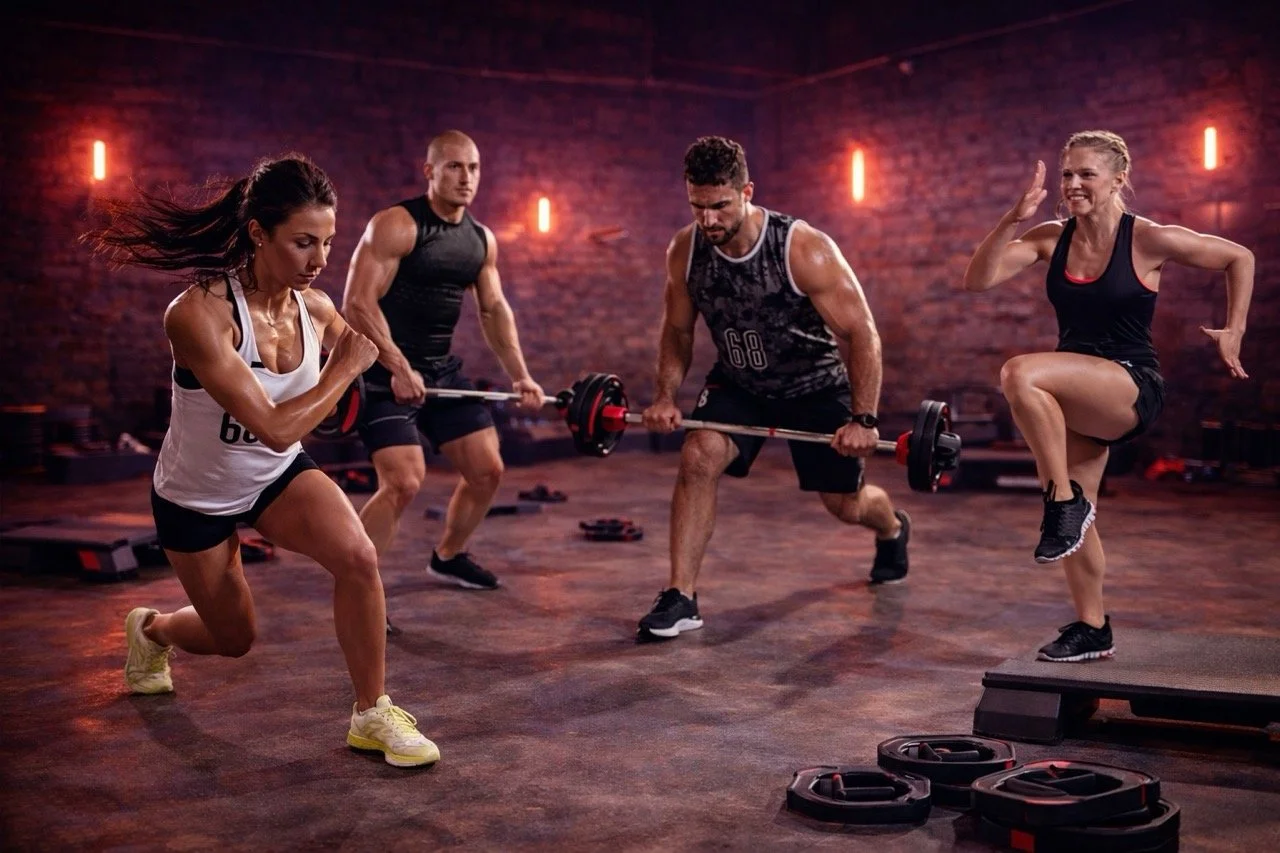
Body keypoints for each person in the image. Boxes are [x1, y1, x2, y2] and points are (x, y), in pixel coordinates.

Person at [83, 154, 439, 767]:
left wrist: (398, 373)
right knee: (234, 639)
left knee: (357, 556)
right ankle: (153, 631)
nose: (320, 260)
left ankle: (371, 712)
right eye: (303, 243)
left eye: (327, 242)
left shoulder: (316, 309)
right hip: (196, 497)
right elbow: (277, 426)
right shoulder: (197, 315)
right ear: (257, 234)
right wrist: (346, 369)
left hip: (274, 480)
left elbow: (344, 390)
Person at [962, 129, 1254, 662]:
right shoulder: (1052, 237)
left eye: (1085, 174)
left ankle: (1060, 502)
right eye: (1067, 174)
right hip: (1075, 391)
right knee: (1077, 523)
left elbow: (1239, 257)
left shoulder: (1146, 238)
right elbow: (978, 280)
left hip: (1128, 384)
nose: (1073, 184)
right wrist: (1012, 219)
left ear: (1118, 179)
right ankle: (1092, 626)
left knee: (1019, 373)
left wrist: (1233, 329)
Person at [637, 136, 911, 640]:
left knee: (845, 506)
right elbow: (677, 331)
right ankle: (681, 596)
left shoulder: (803, 247)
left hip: (814, 386)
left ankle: (892, 526)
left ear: (747, 192)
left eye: (720, 205)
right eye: (698, 206)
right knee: (698, 455)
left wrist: (864, 418)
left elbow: (861, 332)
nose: (709, 219)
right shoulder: (686, 250)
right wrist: (663, 397)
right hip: (740, 384)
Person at [342, 130, 544, 594]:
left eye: (473, 167)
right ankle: (357, 589)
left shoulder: (480, 240)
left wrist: (522, 375)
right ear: (429, 171)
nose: (465, 177)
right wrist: (396, 366)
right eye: (454, 166)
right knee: (403, 482)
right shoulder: (397, 224)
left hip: (438, 371)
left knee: (487, 470)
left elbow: (493, 310)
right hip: (380, 371)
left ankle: (448, 556)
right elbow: (357, 302)